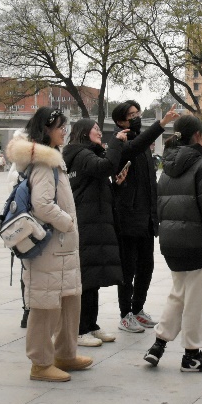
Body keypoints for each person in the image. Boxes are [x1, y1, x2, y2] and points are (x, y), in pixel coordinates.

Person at [6, 108, 93, 382]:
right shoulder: (44, 163)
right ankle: (41, 363)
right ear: (45, 130)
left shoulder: (54, 159)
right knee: (45, 307)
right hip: (49, 248)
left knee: (69, 302)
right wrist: (67, 222)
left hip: (63, 248)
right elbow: (42, 205)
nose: (64, 131)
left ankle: (65, 354)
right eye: (59, 127)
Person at [145, 114, 202, 371]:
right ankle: (192, 355)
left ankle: (158, 345)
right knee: (197, 301)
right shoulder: (199, 166)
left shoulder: (167, 166)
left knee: (179, 294)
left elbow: (159, 206)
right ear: (198, 136)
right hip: (199, 245)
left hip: (172, 244)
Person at [106, 101, 181, 334]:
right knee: (128, 268)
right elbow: (134, 147)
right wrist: (162, 123)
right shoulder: (119, 140)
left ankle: (138, 308)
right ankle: (125, 314)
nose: (137, 117)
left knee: (146, 266)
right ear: (120, 121)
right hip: (128, 216)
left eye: (138, 113)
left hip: (147, 216)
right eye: (131, 115)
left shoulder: (141, 142)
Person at [62, 118, 123, 348]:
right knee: (86, 277)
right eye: (95, 129)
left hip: (94, 222)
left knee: (93, 276)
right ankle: (79, 329)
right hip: (86, 223)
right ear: (84, 133)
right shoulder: (82, 154)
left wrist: (115, 185)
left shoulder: (84, 155)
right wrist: (116, 143)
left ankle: (91, 324)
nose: (99, 132)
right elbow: (106, 167)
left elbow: (96, 184)